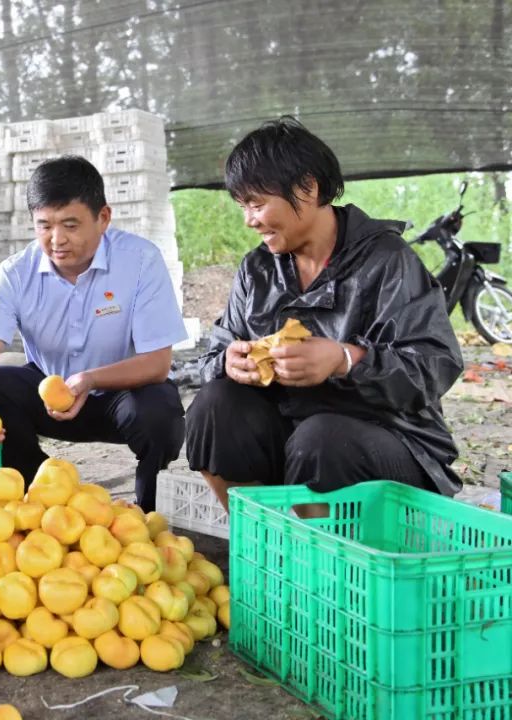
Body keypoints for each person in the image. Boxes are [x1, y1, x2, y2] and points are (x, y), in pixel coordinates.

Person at [186, 116, 464, 511]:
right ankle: (264, 534)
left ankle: (323, 548)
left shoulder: (387, 261)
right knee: (213, 406)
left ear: (307, 188)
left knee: (321, 438)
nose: (249, 220)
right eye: (242, 206)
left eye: (257, 204)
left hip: (389, 442)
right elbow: (214, 355)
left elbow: (435, 366)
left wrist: (345, 359)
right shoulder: (257, 269)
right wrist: (229, 362)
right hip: (292, 440)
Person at [0, 155, 188, 511]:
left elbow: (157, 362)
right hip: (51, 396)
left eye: (70, 225)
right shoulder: (16, 274)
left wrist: (89, 380)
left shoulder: (140, 260)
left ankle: (146, 512)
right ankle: (40, 499)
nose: (56, 239)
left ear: (103, 218)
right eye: (44, 226)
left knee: (159, 411)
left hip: (124, 395)